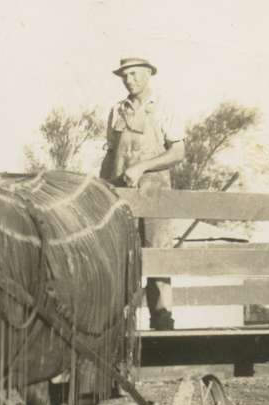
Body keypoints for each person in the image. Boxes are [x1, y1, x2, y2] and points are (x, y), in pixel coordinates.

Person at [100, 57, 186, 330]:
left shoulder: (164, 106)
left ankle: (162, 323)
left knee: (157, 256)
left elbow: (178, 152)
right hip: (121, 194)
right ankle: (120, 324)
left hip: (155, 193)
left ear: (149, 74)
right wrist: (101, 188)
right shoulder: (116, 110)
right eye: (125, 75)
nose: (129, 79)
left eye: (135, 74)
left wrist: (142, 167)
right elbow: (110, 153)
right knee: (120, 256)